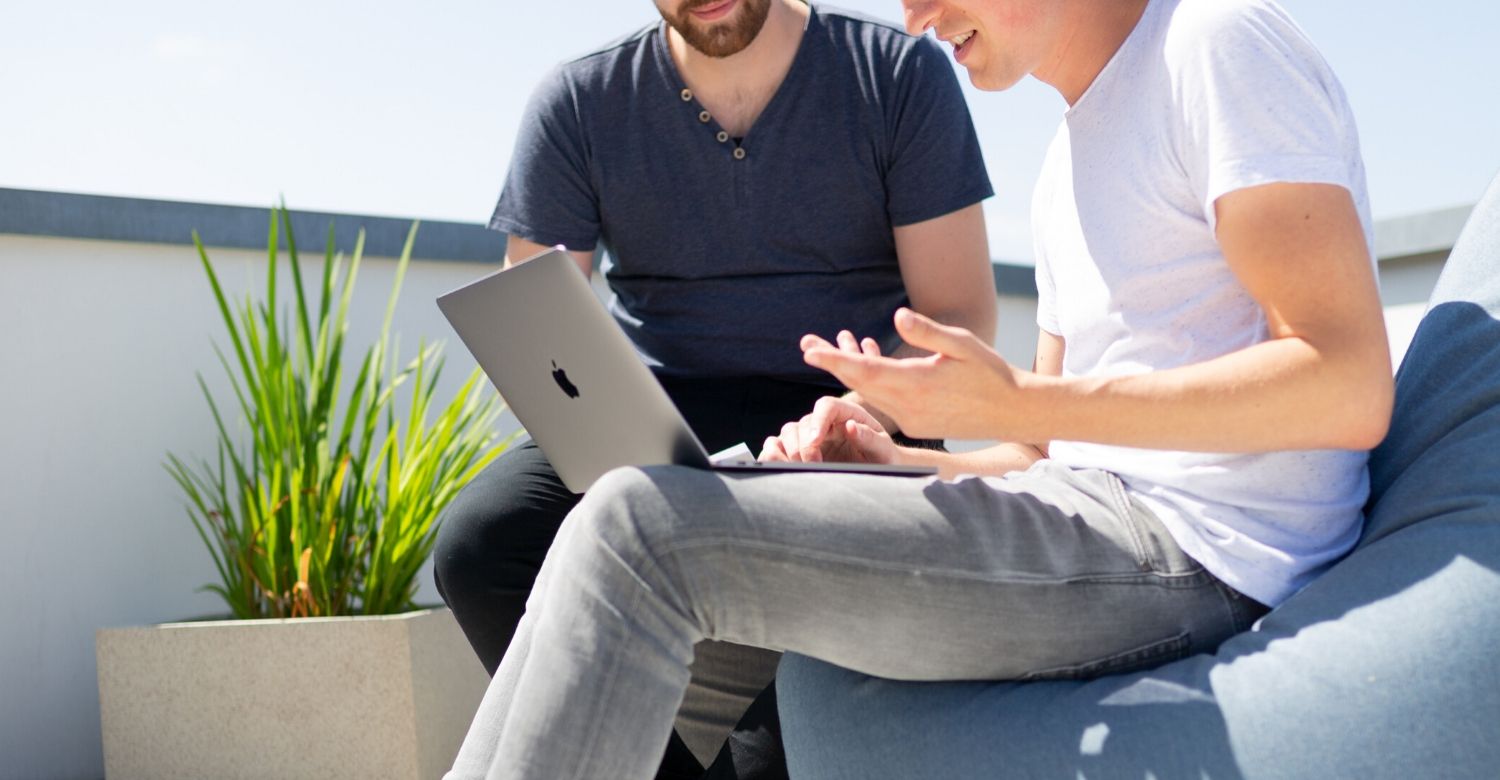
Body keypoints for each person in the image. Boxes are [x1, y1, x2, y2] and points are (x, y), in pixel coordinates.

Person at [445, 0, 1393, 777]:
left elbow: (1348, 384)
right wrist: (894, 458)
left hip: (1199, 556)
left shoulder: (1214, 44)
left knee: (638, 530)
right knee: (605, 534)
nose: (917, 14)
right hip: (1093, 515)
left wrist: (1014, 401)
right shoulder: (1070, 157)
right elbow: (1040, 456)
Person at [431, 0, 996, 776]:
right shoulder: (578, 101)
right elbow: (535, 330)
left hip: (857, 410)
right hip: (666, 416)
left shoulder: (897, 73)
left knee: (775, 758)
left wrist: (862, 410)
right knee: (482, 543)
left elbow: (957, 314)